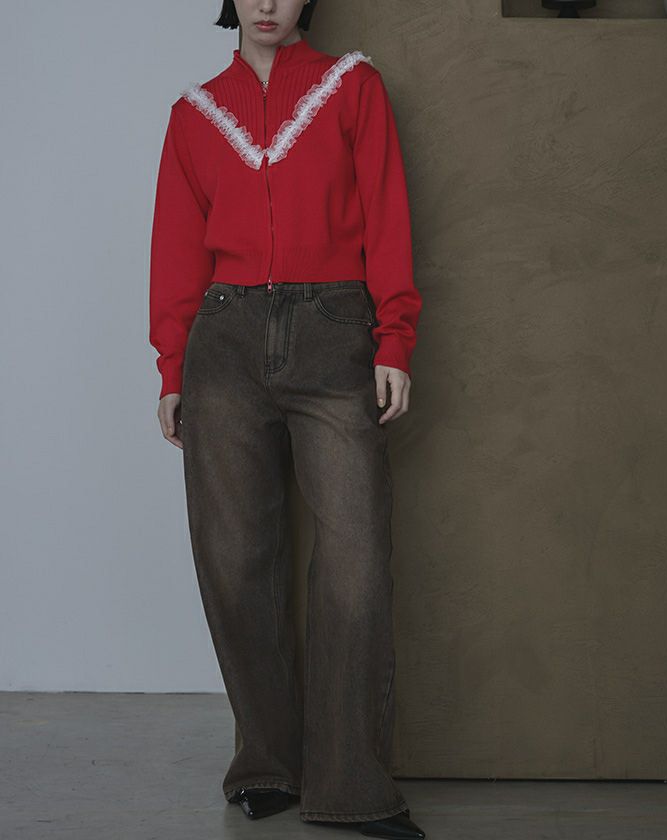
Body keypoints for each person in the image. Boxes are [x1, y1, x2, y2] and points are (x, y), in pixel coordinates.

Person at [148, 1, 424, 837]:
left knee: (354, 560)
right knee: (235, 561)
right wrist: (171, 367)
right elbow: (176, 245)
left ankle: (352, 785)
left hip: (336, 330)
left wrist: (395, 337)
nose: (267, 2)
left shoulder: (353, 86)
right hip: (223, 341)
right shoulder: (195, 113)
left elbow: (387, 212)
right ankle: (266, 764)